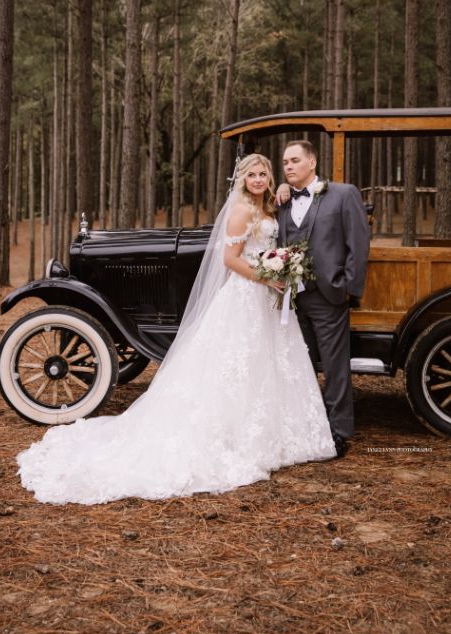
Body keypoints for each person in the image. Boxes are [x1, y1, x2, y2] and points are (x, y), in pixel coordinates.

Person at [17, 153, 336, 506]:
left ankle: (277, 434)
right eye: (252, 174)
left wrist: (277, 265)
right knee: (238, 368)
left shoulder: (269, 208)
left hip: (265, 302)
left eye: (264, 174)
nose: (259, 179)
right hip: (248, 295)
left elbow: (270, 234)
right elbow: (230, 261)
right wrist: (268, 277)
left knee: (269, 366)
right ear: (242, 180)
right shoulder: (241, 211)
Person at [276, 141, 370, 458]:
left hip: (329, 295)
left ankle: (339, 432)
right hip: (291, 298)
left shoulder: (343, 194)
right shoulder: (283, 201)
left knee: (335, 366)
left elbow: (358, 242)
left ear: (312, 162)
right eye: (285, 162)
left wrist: (348, 289)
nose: (288, 166)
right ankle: (302, 426)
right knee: (296, 364)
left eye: (295, 160)